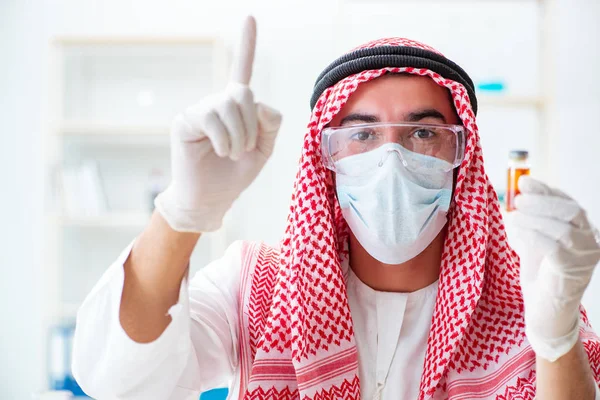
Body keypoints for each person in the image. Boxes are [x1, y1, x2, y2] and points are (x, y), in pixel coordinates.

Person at [72, 17, 600, 400]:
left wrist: (555, 338)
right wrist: (181, 214)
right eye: (362, 134)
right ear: (327, 159)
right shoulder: (258, 289)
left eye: (423, 132)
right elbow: (118, 383)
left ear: (462, 155)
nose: (391, 158)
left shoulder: (531, 298)